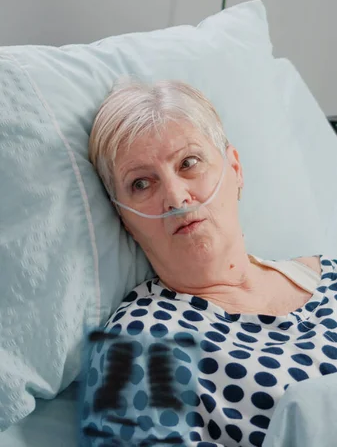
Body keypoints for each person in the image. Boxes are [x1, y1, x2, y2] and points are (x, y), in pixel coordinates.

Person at [86, 76, 336, 447]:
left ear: (235, 169)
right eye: (141, 184)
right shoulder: (140, 343)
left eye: (189, 163)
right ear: (124, 218)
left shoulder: (328, 273)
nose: (175, 196)